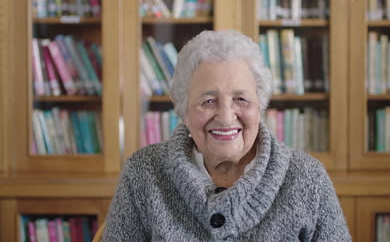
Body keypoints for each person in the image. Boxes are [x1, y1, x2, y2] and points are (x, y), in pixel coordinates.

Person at [103, 30, 351, 241]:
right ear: (183, 108)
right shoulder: (142, 173)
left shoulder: (308, 177)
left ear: (260, 106)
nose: (225, 116)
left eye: (240, 99)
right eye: (208, 101)